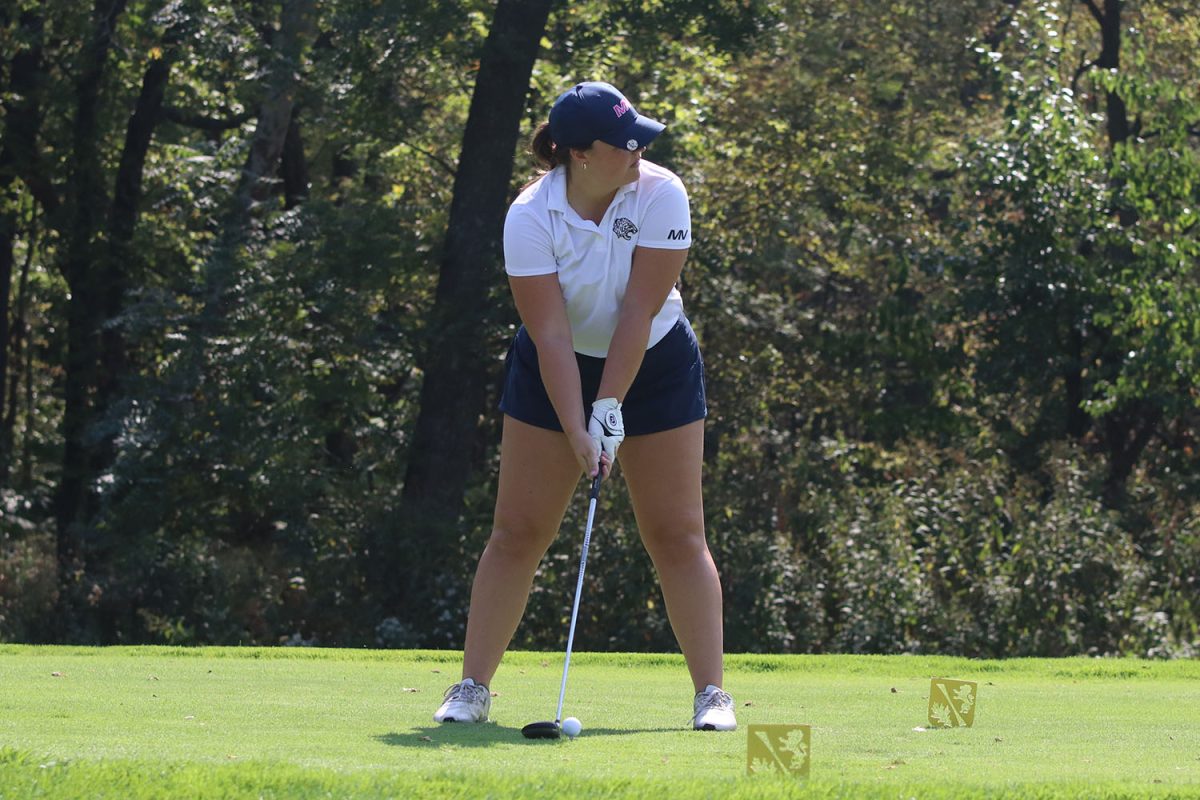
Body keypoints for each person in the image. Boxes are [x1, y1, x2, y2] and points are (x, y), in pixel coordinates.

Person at [433, 81, 735, 732]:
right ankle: (471, 689)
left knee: (676, 531)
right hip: (555, 367)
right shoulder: (529, 216)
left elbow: (637, 310)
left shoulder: (661, 194)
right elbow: (550, 335)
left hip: (654, 362)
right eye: (625, 142)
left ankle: (711, 694)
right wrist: (578, 426)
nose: (639, 151)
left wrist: (608, 409)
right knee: (518, 529)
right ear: (581, 153)